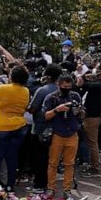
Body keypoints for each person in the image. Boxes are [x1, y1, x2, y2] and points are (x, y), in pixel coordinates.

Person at [0, 65, 30, 191]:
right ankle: (10, 186)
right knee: (12, 158)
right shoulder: (25, 91)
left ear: (11, 76)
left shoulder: (2, 88)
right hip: (19, 127)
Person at [42, 73, 84, 199]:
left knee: (69, 164)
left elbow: (82, 114)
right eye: (64, 86)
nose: (67, 89)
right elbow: (45, 116)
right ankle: (51, 188)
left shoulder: (75, 96)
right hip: (57, 133)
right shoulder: (51, 98)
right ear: (58, 85)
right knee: (53, 163)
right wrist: (57, 109)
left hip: (72, 133)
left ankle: (67, 189)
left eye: (69, 86)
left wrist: (79, 111)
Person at [26, 64, 61, 192]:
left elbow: (32, 108)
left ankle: (39, 184)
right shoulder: (60, 89)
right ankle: (48, 183)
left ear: (48, 76)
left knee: (39, 158)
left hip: (40, 128)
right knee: (51, 158)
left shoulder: (42, 90)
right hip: (56, 130)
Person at [77, 63, 101, 174]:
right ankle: (91, 164)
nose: (95, 70)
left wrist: (83, 77)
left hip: (92, 117)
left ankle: (94, 167)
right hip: (91, 115)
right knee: (90, 141)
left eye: (97, 69)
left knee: (92, 143)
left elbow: (83, 84)